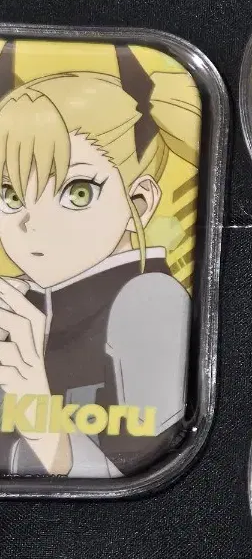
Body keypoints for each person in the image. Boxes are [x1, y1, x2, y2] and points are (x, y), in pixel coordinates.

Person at [0, 41, 201, 479]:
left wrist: (33, 395)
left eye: (77, 192)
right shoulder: (23, 302)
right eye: (11, 195)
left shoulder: (147, 299)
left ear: (139, 202)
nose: (32, 224)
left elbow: (142, 465)